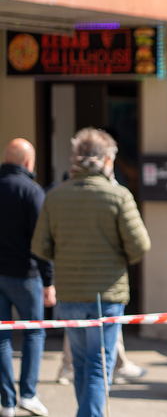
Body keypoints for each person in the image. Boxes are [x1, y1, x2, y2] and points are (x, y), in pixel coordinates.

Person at [32, 128, 151, 417]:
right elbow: (140, 246)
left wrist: (68, 254)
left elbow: (40, 247)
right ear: (108, 160)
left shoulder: (55, 195)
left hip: (69, 293)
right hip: (107, 294)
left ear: (75, 158)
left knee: (82, 365)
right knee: (99, 367)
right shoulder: (118, 196)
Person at [0, 139, 52, 417]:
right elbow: (42, 242)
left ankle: (7, 402)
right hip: (26, 275)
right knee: (34, 332)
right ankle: (28, 395)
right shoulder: (32, 190)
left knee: (1, 337)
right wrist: (49, 280)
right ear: (28, 163)